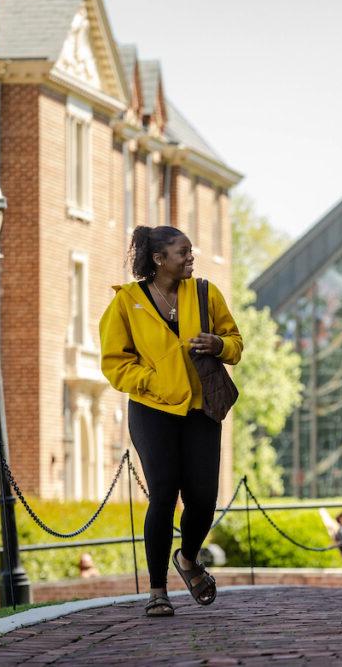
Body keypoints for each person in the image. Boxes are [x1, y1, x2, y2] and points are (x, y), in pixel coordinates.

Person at [100, 225, 243, 617]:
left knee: (202, 498)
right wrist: (152, 381)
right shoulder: (127, 302)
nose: (190, 257)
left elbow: (235, 342)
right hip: (152, 410)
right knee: (163, 494)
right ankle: (157, 591)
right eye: (183, 252)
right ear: (159, 259)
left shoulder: (205, 292)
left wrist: (219, 344)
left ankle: (189, 558)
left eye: (190, 251)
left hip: (201, 409)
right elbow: (115, 363)